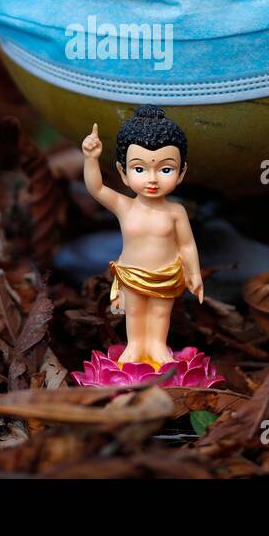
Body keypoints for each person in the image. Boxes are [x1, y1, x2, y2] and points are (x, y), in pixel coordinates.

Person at [80, 105, 204, 368]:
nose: (152, 179)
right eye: (139, 169)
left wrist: (194, 273)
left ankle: (158, 346)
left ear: (181, 172)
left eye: (165, 169)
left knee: (160, 314)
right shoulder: (125, 205)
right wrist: (90, 159)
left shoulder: (176, 212)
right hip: (132, 272)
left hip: (167, 273)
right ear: (123, 171)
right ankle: (135, 346)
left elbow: (186, 244)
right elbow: (96, 187)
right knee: (134, 313)